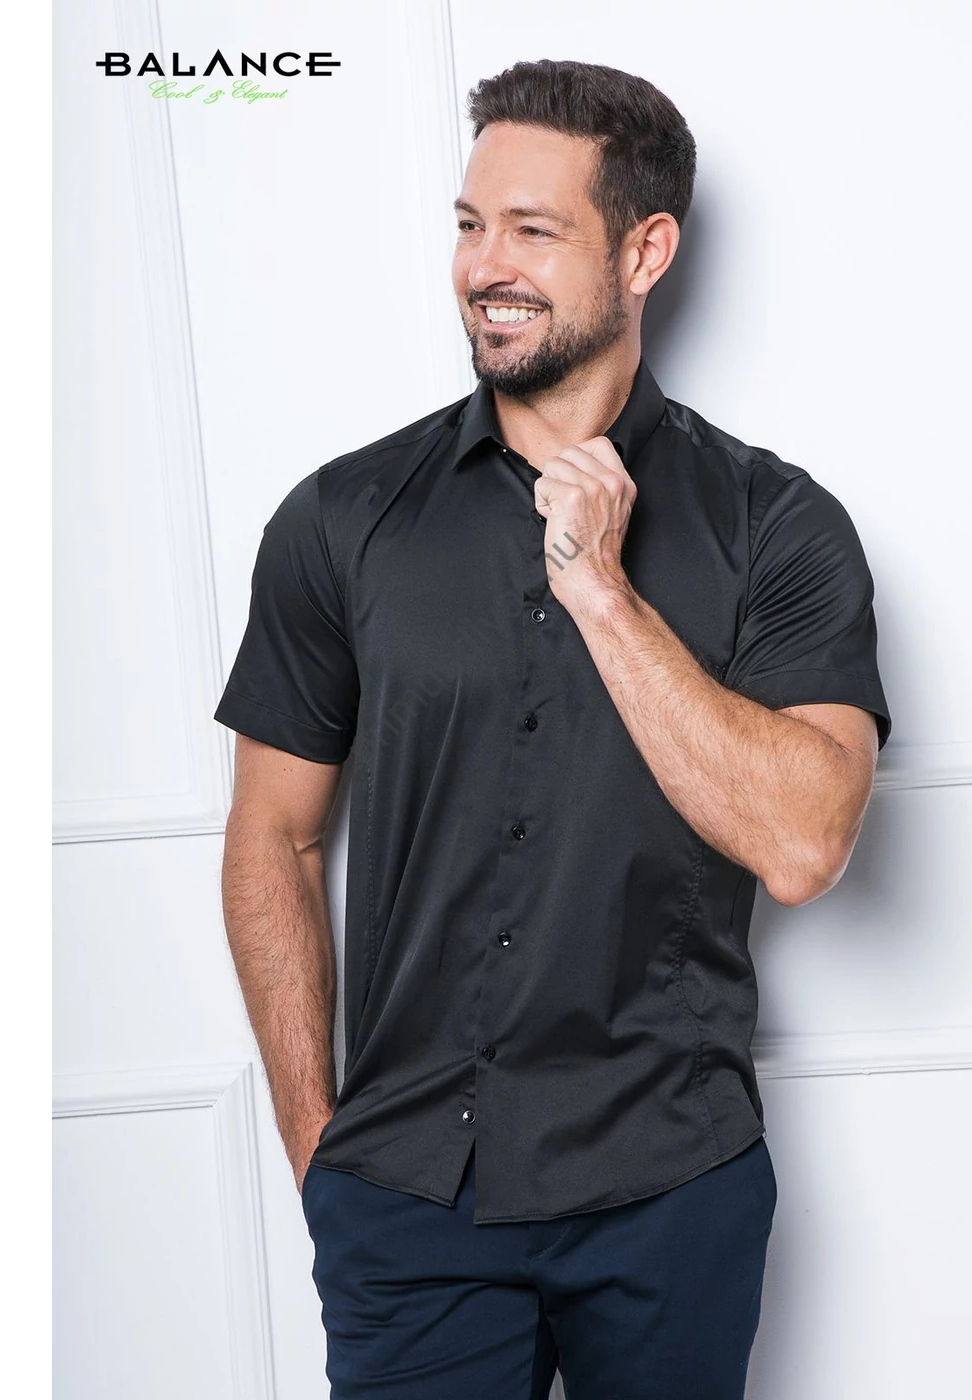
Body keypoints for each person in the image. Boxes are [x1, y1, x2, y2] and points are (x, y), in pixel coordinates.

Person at [215, 57, 891, 1400]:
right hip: (406, 1194)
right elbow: (273, 839)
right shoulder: (342, 520)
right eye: (471, 224)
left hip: (670, 1187)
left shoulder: (776, 527)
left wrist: (601, 595)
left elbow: (806, 844)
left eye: (533, 230)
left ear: (645, 252)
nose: (486, 267)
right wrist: (319, 1150)